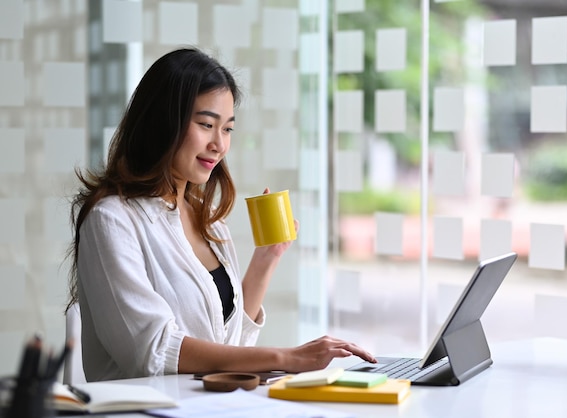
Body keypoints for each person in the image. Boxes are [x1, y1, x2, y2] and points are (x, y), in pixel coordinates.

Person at [65, 47, 376, 382]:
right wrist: (287, 357)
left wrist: (265, 259)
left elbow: (230, 347)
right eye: (206, 124)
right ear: (163, 122)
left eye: (227, 129)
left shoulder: (207, 217)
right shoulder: (110, 220)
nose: (219, 144)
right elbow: (152, 351)